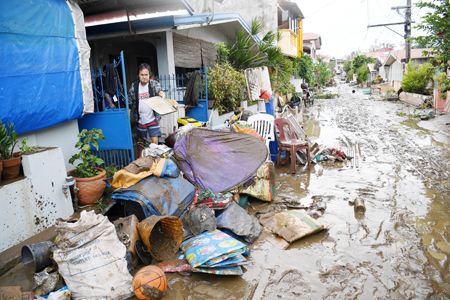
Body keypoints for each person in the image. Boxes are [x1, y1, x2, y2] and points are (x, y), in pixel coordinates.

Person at [129, 63, 165, 153]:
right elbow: (130, 100)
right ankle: (140, 159)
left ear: (149, 75)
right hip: (140, 119)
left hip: (152, 118)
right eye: (142, 74)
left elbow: (160, 91)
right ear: (138, 75)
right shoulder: (134, 86)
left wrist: (161, 94)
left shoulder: (153, 84)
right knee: (140, 142)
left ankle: (154, 160)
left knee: (154, 142)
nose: (144, 77)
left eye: (146, 75)